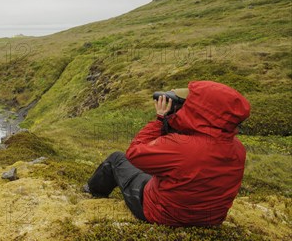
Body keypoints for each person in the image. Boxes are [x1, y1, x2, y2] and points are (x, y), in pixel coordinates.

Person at [84, 80, 251, 226]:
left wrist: (159, 120)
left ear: (200, 111)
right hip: (211, 219)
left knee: (117, 158)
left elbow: (134, 154)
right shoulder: (238, 149)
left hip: (164, 214)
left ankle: (91, 192)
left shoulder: (179, 146)